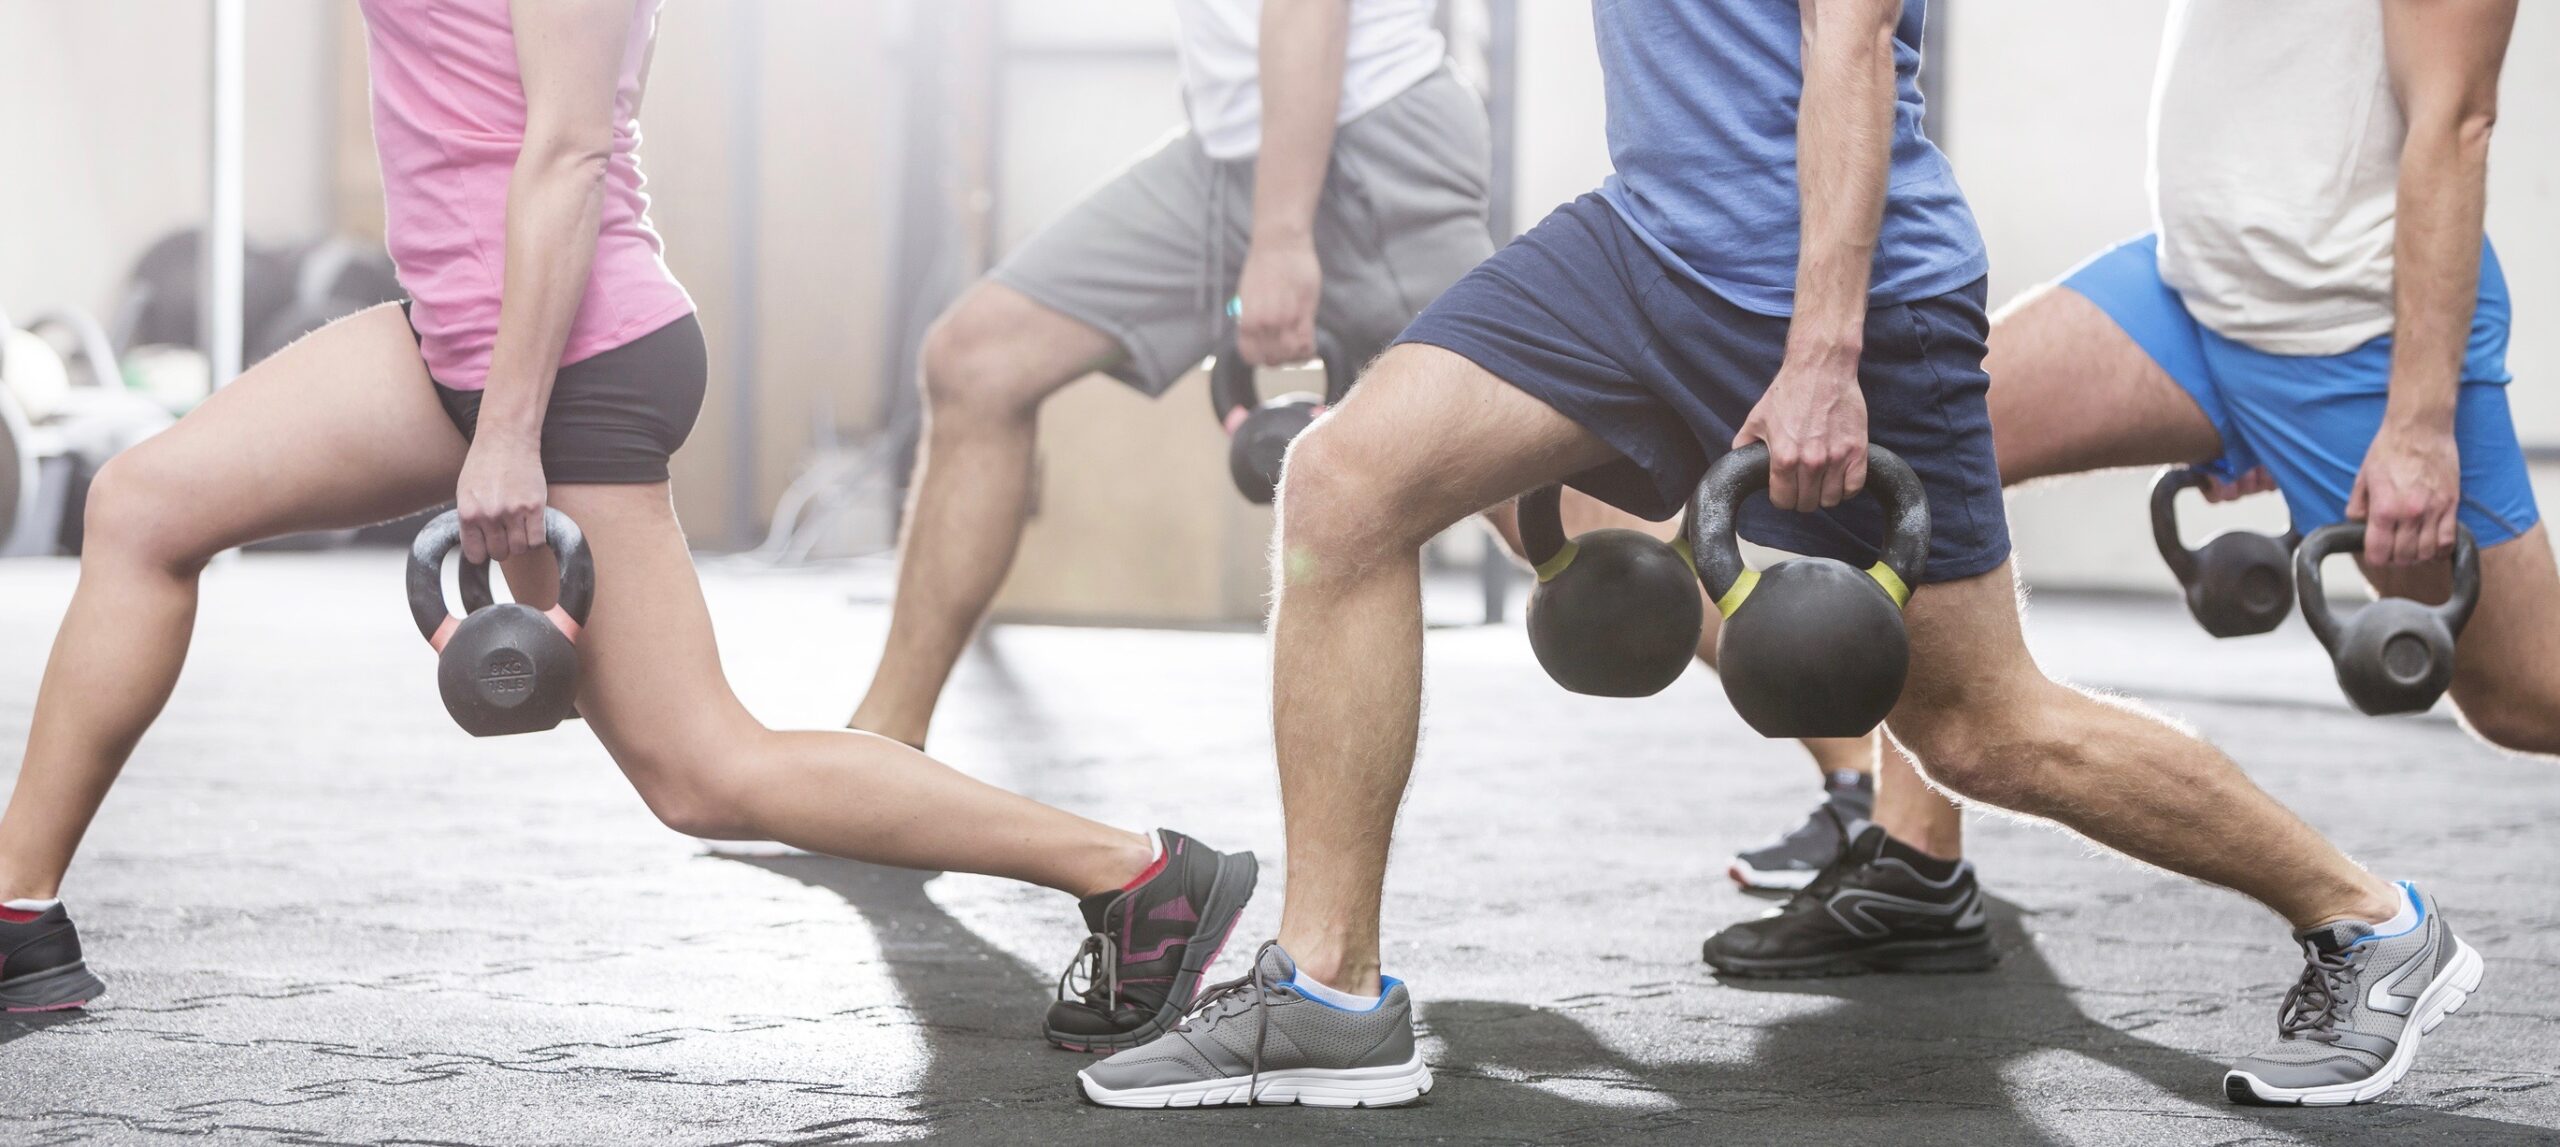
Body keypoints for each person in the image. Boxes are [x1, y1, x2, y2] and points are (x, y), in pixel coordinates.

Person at [1076, 0, 2477, 1110]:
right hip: (1640, 244)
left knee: (1981, 728)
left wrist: (1824, 350)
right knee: (1345, 483)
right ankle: (1325, 990)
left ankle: (2367, 918)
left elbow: (1853, 38)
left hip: (1838, 287)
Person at [0, 0, 1256, 1057]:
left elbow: (571, 152)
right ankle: (18, 920)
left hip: (571, 361)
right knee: (144, 503)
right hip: (453, 335)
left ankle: (1138, 872)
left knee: (705, 772)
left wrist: (507, 430)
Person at [1707, 0, 2525, 1102]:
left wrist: (2418, 422)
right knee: (1912, 462)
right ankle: (1914, 862)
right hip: (2188, 290)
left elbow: (2457, 121)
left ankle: (2382, 934)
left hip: (2349, 330)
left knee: (2529, 697)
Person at [849, 0, 1495, 751]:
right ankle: (879, 753)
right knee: (978, 357)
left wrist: (1282, 235)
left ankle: (1643, 576)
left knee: (1541, 494)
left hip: (1368, 146)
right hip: (1227, 157)